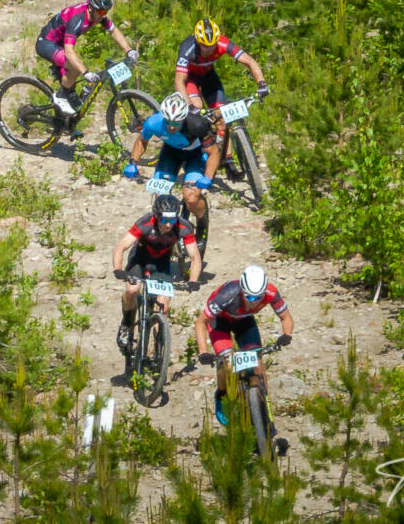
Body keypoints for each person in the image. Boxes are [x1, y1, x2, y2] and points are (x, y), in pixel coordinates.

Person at [196, 265, 293, 427]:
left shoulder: (270, 292)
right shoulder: (226, 296)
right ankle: (221, 394)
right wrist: (203, 351)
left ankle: (264, 406)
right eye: (249, 297)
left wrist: (286, 334)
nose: (253, 302)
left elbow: (286, 317)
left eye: (258, 297)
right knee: (228, 364)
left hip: (244, 321)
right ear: (241, 290)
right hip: (220, 322)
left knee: (258, 365)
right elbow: (201, 322)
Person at [175, 18, 270, 179]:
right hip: (190, 80)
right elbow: (179, 81)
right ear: (198, 42)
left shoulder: (222, 43)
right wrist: (189, 105)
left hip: (209, 78)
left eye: (212, 46)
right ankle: (199, 153)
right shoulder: (188, 48)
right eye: (205, 46)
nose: (209, 49)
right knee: (198, 112)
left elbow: (249, 61)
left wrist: (262, 83)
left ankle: (228, 160)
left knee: (222, 117)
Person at [122, 92, 218, 241]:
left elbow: (213, 152)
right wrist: (133, 162)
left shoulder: (197, 125)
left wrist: (208, 177)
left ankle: (202, 223)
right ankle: (164, 232)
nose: (172, 126)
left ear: (184, 118)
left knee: (191, 197)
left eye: (176, 123)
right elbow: (141, 141)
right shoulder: (153, 122)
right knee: (160, 198)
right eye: (168, 122)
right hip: (170, 154)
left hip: (195, 156)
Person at [111, 192, 200, 353]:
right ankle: (126, 324)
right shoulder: (145, 223)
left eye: (172, 220)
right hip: (139, 260)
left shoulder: (184, 227)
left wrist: (193, 280)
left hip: (161, 264)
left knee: (163, 307)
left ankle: (159, 350)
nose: (168, 225)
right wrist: (118, 269)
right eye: (164, 220)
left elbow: (195, 257)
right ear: (156, 216)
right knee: (132, 290)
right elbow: (121, 246)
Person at [35, 0, 135, 118]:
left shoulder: (98, 15)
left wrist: (129, 50)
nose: (103, 15)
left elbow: (113, 31)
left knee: (72, 88)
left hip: (60, 44)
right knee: (74, 67)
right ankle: (60, 96)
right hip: (47, 43)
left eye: (106, 11)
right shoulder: (77, 19)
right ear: (91, 8)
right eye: (101, 11)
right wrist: (86, 72)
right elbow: (69, 52)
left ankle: (65, 121)